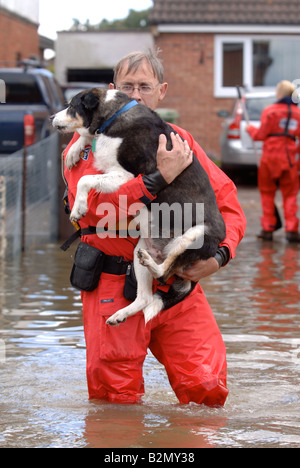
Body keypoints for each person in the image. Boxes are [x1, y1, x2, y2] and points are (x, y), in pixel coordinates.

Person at [63, 49, 246, 406]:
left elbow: (227, 206)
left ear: (161, 92)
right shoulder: (88, 146)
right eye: (127, 86)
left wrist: (220, 256)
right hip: (113, 284)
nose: (135, 95)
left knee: (207, 393)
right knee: (115, 404)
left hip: (179, 284)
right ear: (111, 90)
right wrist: (159, 177)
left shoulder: (180, 141)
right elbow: (98, 213)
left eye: (144, 87)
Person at [247, 80, 300, 242]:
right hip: (289, 159)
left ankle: (268, 228)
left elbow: (260, 135)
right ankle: (291, 229)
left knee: (267, 193)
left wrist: (250, 129)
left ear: (279, 93)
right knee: (290, 194)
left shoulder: (270, 111)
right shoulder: (298, 113)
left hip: (269, 158)